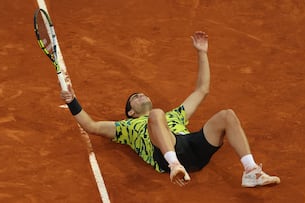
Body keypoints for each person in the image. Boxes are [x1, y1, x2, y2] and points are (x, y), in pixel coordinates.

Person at [60, 31, 280, 187]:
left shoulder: (174, 115)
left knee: (227, 115)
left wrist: (202, 53)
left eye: (143, 94)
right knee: (157, 115)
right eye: (136, 98)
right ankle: (174, 165)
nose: (142, 96)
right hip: (165, 158)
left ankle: (250, 171)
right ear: (131, 112)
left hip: (191, 147)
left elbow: (202, 90)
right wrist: (72, 101)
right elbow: (91, 125)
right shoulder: (126, 127)